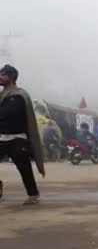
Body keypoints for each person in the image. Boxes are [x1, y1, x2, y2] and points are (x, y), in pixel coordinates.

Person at [0, 65, 45, 204]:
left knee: (24, 167)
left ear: (11, 77)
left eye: (3, 74)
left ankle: (33, 194)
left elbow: (9, 113)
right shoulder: (3, 96)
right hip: (2, 137)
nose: (0, 77)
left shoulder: (19, 95)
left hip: (17, 138)